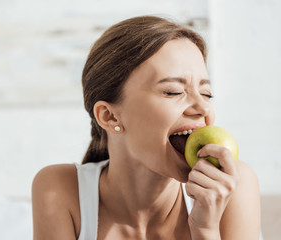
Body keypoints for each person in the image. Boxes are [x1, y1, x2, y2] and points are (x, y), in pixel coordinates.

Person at [32, 16, 261, 239]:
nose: (203, 107)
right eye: (173, 91)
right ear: (110, 116)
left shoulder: (234, 187)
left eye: (206, 93)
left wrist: (205, 230)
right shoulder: (60, 190)